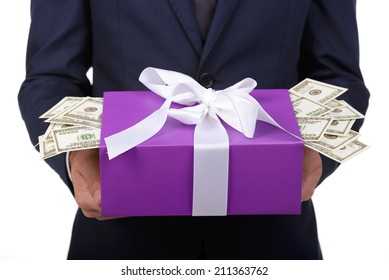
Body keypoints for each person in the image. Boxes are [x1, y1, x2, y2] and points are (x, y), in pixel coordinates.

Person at [18, 0, 369, 260]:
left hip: (273, 238)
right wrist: (74, 156)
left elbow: (339, 76)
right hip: (121, 240)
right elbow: (51, 77)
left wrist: (318, 154)